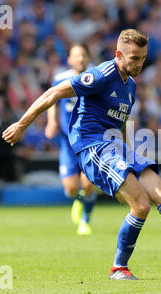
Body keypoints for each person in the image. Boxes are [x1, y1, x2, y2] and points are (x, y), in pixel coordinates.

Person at [2, 29, 161, 280]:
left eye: (143, 59)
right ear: (119, 54)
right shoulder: (101, 75)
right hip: (92, 146)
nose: (140, 64)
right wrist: (22, 125)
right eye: (135, 58)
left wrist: (131, 154)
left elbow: (120, 123)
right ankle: (119, 268)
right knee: (140, 205)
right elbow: (53, 93)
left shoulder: (131, 87)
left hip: (117, 146)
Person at [45, 43, 97, 236]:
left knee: (88, 184)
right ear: (69, 59)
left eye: (83, 55)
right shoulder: (61, 78)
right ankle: (77, 200)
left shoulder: (97, 77)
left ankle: (86, 220)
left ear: (88, 57)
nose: (80, 59)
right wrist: (51, 122)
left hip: (90, 140)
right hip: (67, 141)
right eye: (76, 55)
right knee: (71, 188)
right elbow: (52, 101)